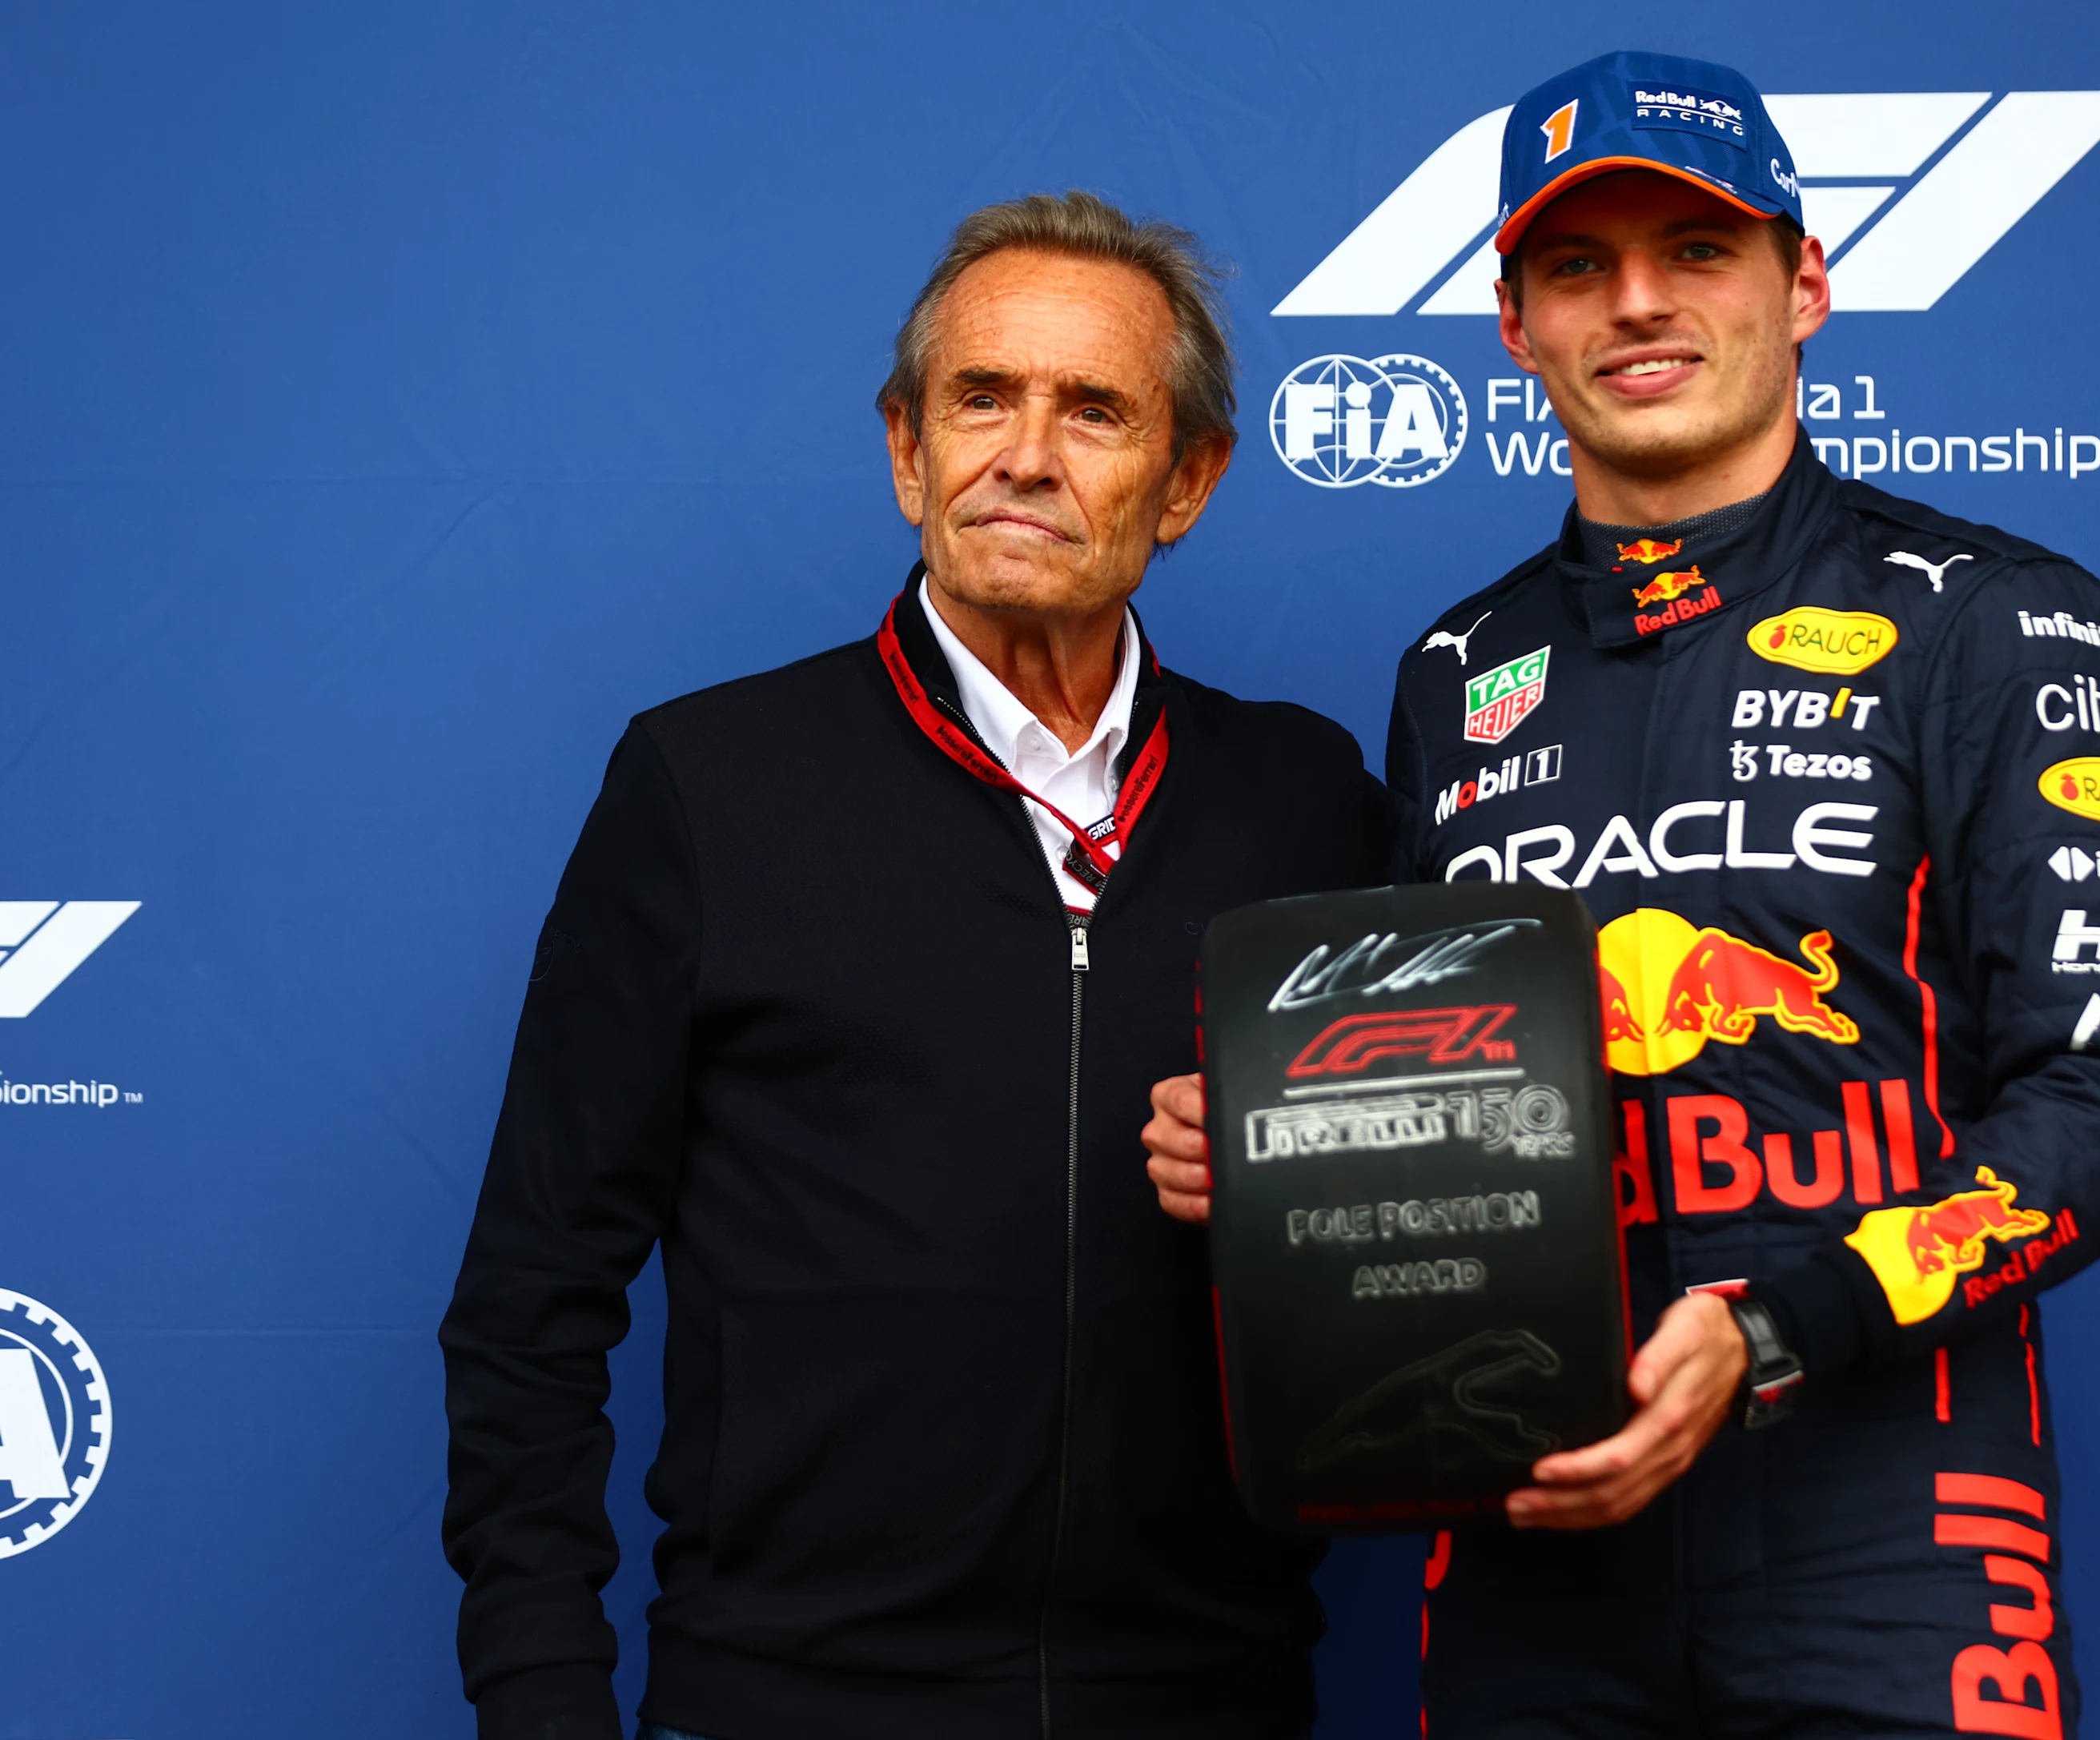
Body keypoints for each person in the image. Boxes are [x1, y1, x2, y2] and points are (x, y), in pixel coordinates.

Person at [1146, 53, 2100, 1738]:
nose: (1635, 304)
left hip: (1895, 1528)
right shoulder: (1454, 673)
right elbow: (1443, 1088)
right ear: (1514, 325)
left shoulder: (1999, 620)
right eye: (1577, 266)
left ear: (1804, 288)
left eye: (1695, 251)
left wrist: (1778, 1333)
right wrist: (1276, 1150)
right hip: (1528, 1531)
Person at [441, 191, 1390, 1740]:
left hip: (1211, 1697)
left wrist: (1306, 1195)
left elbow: (1419, 1240)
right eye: (981, 399)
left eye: (1095, 409)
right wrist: (543, 1699)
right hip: (791, 1700)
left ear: (1190, 479)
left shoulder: (1307, 801)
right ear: (907, 451)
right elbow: (532, 1294)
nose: (1027, 456)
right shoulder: (708, 784)